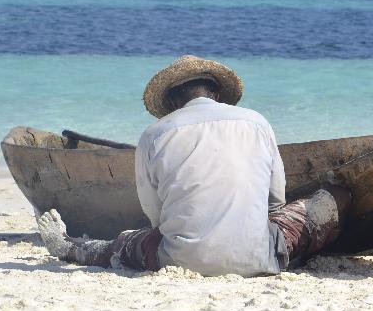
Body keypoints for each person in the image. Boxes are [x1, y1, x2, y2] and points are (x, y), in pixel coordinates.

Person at [36, 55, 351, 276]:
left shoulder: (155, 134)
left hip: (181, 260)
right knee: (334, 198)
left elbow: (156, 216)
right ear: (216, 93)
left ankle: (71, 248)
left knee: (125, 244)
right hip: (260, 257)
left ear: (172, 103)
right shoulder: (256, 122)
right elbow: (275, 199)